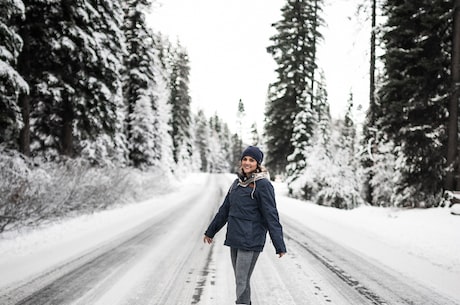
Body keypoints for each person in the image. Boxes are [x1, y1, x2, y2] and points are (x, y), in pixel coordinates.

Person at [203, 146, 287, 305]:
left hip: (251, 240)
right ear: (241, 161)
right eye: (245, 159)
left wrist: (279, 244)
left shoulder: (263, 185)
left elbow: (271, 215)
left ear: (258, 163)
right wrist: (210, 231)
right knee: (240, 279)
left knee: (241, 280)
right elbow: (224, 210)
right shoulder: (236, 183)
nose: (247, 163)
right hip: (235, 237)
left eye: (252, 160)